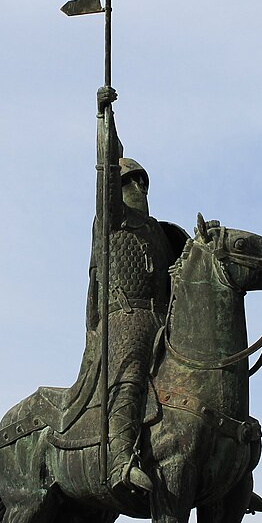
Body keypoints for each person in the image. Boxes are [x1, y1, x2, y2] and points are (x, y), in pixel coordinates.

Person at [86, 85, 187, 494]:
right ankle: (120, 462)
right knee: (130, 376)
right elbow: (106, 167)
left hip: (162, 319)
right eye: (130, 181)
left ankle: (219, 468)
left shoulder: (162, 234)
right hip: (123, 319)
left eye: (142, 182)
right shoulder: (111, 222)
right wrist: (104, 119)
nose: (138, 188)